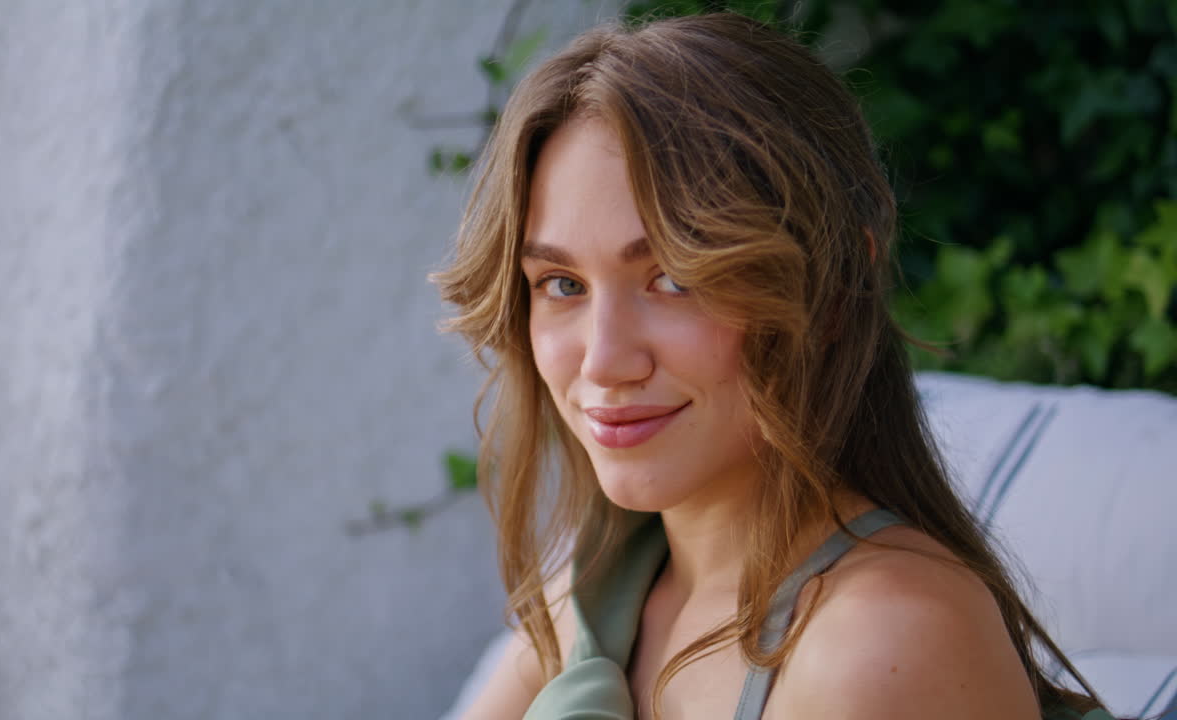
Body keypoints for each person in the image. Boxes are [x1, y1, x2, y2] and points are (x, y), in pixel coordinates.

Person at [434, 12, 1114, 720]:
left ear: (835, 296)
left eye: (675, 279)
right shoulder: (600, 593)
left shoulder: (881, 639)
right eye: (562, 284)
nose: (605, 362)